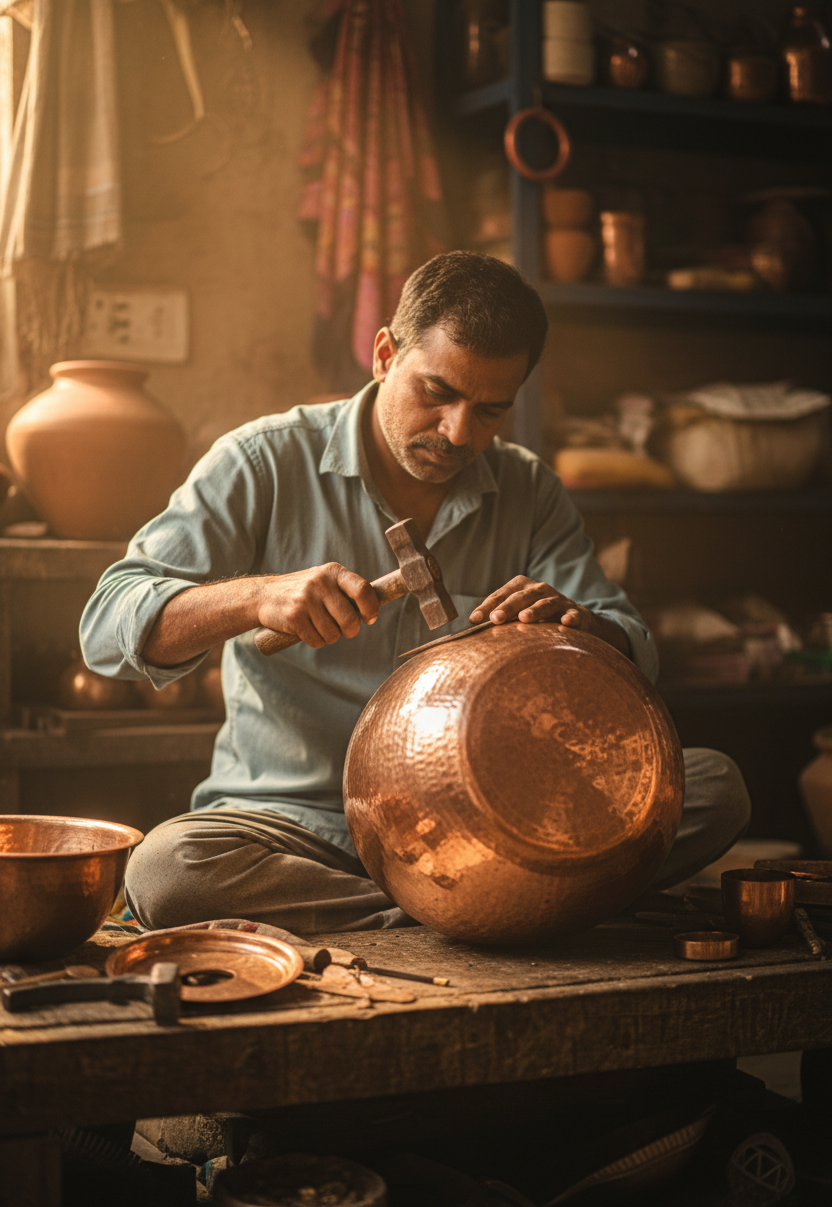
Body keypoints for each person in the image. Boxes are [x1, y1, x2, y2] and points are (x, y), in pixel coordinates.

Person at [81, 251, 750, 935]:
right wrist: (256, 598)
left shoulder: (527, 490)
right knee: (167, 870)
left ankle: (474, 905)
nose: (459, 433)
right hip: (300, 827)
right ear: (382, 354)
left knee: (712, 787)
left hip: (484, 822)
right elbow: (106, 626)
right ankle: (489, 914)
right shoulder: (263, 462)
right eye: (437, 393)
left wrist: (582, 630)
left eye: (491, 410)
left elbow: (630, 645)